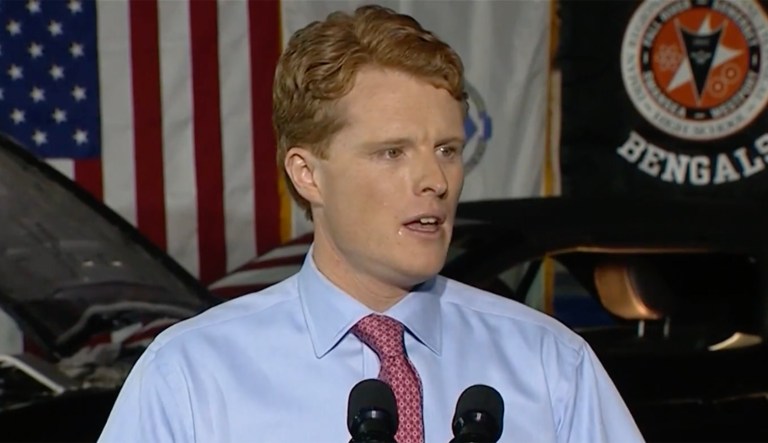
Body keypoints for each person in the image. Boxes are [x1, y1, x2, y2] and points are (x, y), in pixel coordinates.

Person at [98, 4, 643, 442]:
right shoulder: (192, 375)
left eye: (448, 149)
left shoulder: (551, 365)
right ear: (308, 174)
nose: (435, 179)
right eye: (392, 153)